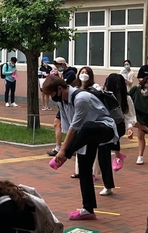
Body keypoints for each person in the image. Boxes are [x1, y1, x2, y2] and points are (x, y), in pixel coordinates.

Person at [43, 76, 118, 220]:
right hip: (86, 137)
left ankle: (66, 155)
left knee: (88, 127)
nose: (52, 98)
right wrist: (65, 147)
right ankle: (88, 209)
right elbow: (68, 127)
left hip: (104, 129)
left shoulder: (81, 98)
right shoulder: (63, 102)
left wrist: (63, 151)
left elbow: (74, 127)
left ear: (60, 89)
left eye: (52, 94)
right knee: (84, 171)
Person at [69, 66, 102, 180]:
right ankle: (79, 171)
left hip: (92, 120)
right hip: (79, 120)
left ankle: (92, 172)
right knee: (79, 145)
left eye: (86, 72)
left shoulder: (95, 87)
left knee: (92, 147)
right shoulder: (75, 88)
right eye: (82, 72)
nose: (84, 74)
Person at [103, 73, 137, 174]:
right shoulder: (103, 95)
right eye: (115, 86)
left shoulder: (126, 98)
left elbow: (129, 115)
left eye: (119, 86)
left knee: (109, 143)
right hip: (103, 124)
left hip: (118, 125)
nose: (117, 89)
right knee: (100, 149)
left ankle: (117, 157)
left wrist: (129, 128)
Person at [47, 57, 77, 157]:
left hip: (68, 101)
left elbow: (64, 85)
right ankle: (59, 147)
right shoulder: (59, 73)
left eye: (58, 66)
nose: (57, 68)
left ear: (63, 65)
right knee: (57, 124)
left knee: (72, 124)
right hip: (63, 103)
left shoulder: (70, 73)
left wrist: (59, 76)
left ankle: (68, 147)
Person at [129, 77, 148, 165]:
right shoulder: (135, 89)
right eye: (145, 88)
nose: (147, 90)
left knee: (140, 136)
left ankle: (140, 156)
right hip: (135, 112)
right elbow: (127, 97)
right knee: (134, 121)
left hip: (145, 116)